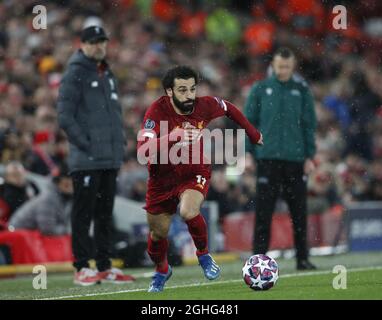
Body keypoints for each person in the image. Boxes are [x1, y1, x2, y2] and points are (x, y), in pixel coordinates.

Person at [137, 66, 263, 292]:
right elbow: (143, 150)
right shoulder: (156, 112)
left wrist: (253, 133)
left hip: (194, 171)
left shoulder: (204, 105)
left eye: (192, 89)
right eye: (182, 90)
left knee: (188, 211)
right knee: (158, 235)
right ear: (169, 92)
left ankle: (204, 256)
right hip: (161, 180)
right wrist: (172, 137)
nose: (189, 95)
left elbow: (229, 108)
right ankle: (162, 269)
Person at [57, 25, 135, 285]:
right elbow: (65, 117)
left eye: (103, 41)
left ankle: (104, 265)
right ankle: (81, 266)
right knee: (83, 213)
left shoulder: (106, 72)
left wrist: (118, 143)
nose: (100, 46)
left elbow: (113, 113)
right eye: (95, 41)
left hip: (109, 157)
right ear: (83, 44)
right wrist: (87, 145)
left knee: (104, 213)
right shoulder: (75, 73)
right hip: (87, 159)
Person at [244, 47, 317, 270]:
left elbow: (309, 124)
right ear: (273, 66)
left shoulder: (302, 90)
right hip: (267, 158)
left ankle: (302, 259)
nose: (283, 70)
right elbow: (249, 122)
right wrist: (248, 153)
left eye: (287, 66)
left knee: (299, 212)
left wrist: (309, 156)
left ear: (292, 66)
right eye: (279, 66)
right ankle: (258, 259)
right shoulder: (260, 89)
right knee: (264, 211)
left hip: (295, 159)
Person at [8, 163, 73, 236]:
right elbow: (48, 229)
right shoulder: (48, 198)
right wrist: (66, 230)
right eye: (66, 184)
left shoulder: (66, 198)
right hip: (19, 234)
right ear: (58, 181)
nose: (70, 185)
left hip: (30, 233)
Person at [0, 161, 38, 229]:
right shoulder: (3, 191)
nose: (18, 177)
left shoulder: (31, 186)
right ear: (7, 177)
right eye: (14, 175)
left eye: (20, 174)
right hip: (12, 225)